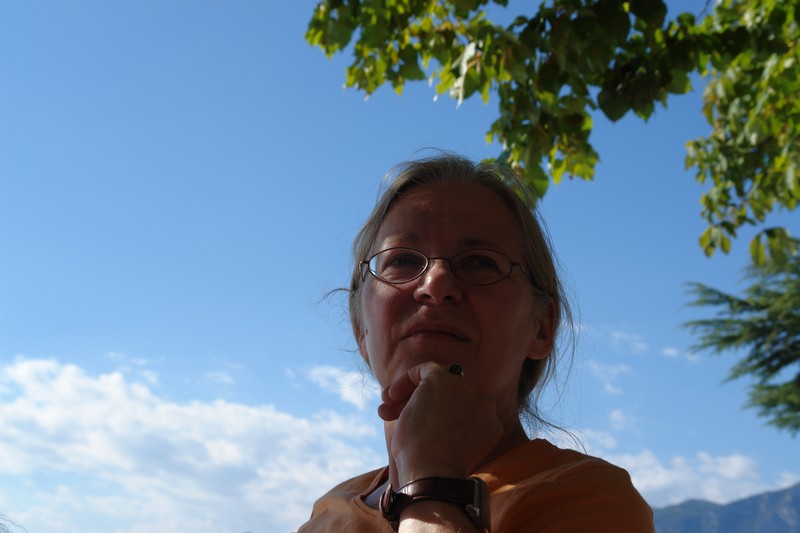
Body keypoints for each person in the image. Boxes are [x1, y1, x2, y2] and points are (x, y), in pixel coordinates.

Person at [297, 154, 654, 532]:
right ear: (360, 329)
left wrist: (430, 478)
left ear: (542, 328)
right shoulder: (327, 514)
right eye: (401, 260)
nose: (435, 284)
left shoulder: (587, 500)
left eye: (480, 262)